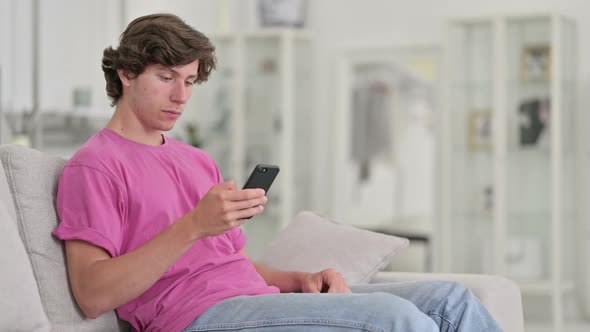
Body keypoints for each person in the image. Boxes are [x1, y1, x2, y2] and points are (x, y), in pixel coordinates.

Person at [52, 13, 502, 332]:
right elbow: (92, 293)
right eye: (166, 77)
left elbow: (232, 263)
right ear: (127, 73)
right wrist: (192, 226)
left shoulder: (195, 159)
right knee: (393, 319)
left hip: (257, 301)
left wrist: (298, 281)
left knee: (451, 300)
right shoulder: (95, 166)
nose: (181, 96)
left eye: (189, 81)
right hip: (195, 318)